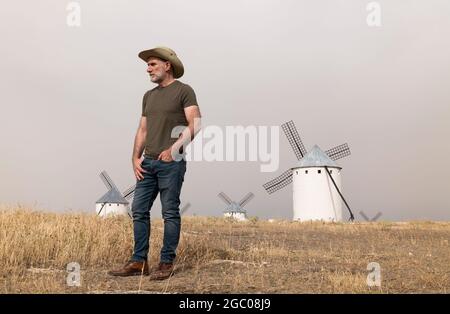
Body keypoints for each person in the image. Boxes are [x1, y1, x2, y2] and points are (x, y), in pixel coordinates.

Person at [108, 46, 201, 280]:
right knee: (138, 210)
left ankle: (166, 263)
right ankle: (139, 262)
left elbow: (195, 124)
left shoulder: (184, 90)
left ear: (167, 65)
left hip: (171, 162)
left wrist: (174, 149)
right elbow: (142, 129)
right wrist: (134, 158)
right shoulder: (148, 96)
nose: (148, 69)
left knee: (170, 212)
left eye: (152, 64)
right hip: (147, 163)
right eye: (147, 65)